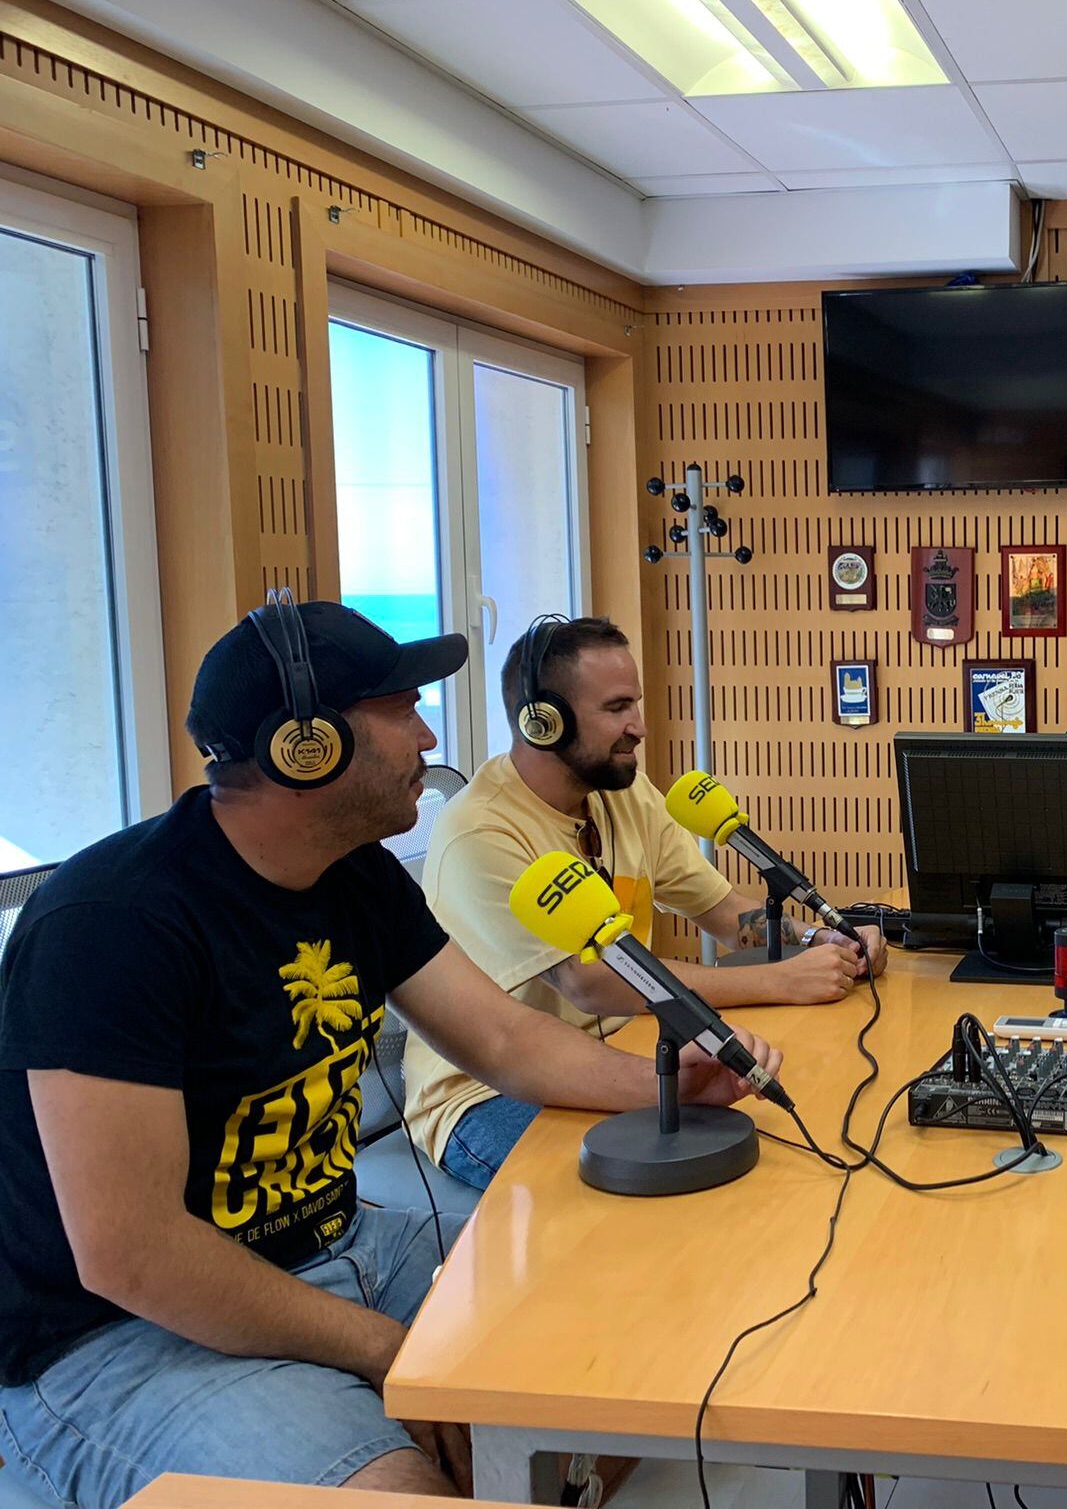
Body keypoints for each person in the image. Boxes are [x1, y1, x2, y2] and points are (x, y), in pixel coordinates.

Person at [0, 597, 782, 1506]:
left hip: (345, 1244)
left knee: (632, 1373)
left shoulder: (354, 872)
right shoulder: (111, 927)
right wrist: (392, 1352)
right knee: (408, 1489)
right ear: (309, 745)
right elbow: (134, 1254)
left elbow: (500, 1036)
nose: (426, 736)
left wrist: (670, 1088)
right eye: (403, 708)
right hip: (118, 1339)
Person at [406, 615, 885, 1190]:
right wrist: (781, 980)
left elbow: (722, 910)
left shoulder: (626, 792)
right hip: (486, 1095)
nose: (640, 726)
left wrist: (821, 944)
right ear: (543, 722)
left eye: (635, 702)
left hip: (613, 1051)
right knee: (629, 1210)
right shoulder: (482, 834)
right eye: (616, 708)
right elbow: (592, 983)